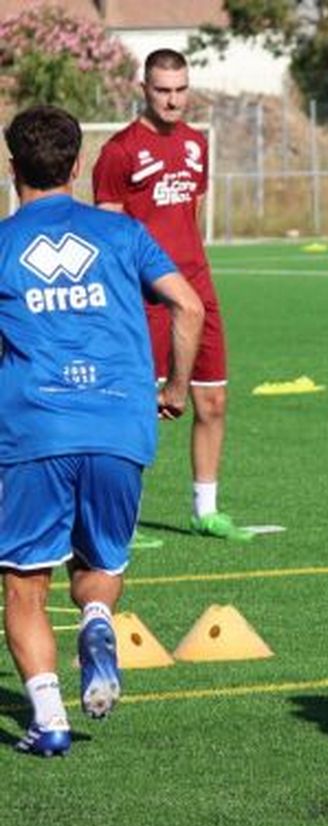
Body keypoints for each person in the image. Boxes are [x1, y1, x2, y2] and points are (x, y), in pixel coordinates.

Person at [1, 104, 203, 756]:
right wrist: (174, 389)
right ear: (78, 164)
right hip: (119, 421)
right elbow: (188, 304)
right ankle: (96, 621)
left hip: (35, 429)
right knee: (98, 563)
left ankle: (50, 719)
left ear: (11, 168)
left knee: (25, 583)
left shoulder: (3, 244)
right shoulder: (122, 234)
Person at [93, 48, 251, 542]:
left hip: (197, 287)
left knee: (214, 401)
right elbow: (110, 229)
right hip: (143, 294)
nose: (173, 100)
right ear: (144, 89)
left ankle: (206, 510)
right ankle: (121, 517)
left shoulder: (195, 144)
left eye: (181, 90)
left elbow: (193, 213)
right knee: (139, 408)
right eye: (163, 90)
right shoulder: (118, 151)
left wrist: (189, 270)